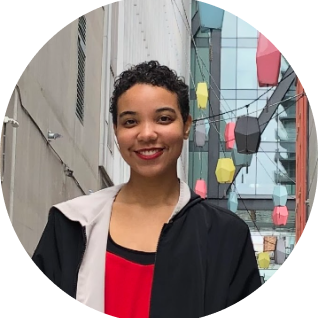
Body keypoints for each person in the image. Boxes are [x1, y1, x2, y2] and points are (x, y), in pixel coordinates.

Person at [32, 60, 262, 317]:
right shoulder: (71, 223)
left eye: (163, 119)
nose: (147, 134)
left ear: (186, 125)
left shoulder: (226, 236)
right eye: (130, 122)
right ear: (116, 132)